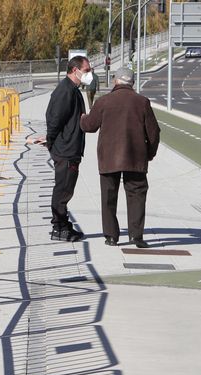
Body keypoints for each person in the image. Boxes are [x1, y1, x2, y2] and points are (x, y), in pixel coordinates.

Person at [79, 68, 160, 248]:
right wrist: (150, 153)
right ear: (132, 83)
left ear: (115, 81)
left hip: (108, 157)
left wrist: (82, 118)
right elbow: (154, 133)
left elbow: (90, 126)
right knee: (137, 195)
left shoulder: (103, 102)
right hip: (136, 157)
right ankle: (136, 236)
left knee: (108, 196)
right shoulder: (142, 102)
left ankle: (111, 237)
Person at [37, 55, 92, 242]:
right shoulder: (65, 91)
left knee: (66, 188)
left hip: (70, 148)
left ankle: (63, 223)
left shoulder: (73, 90)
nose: (89, 74)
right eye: (86, 70)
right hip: (66, 149)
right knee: (63, 189)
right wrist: (51, 142)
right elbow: (54, 119)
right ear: (74, 70)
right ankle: (59, 227)